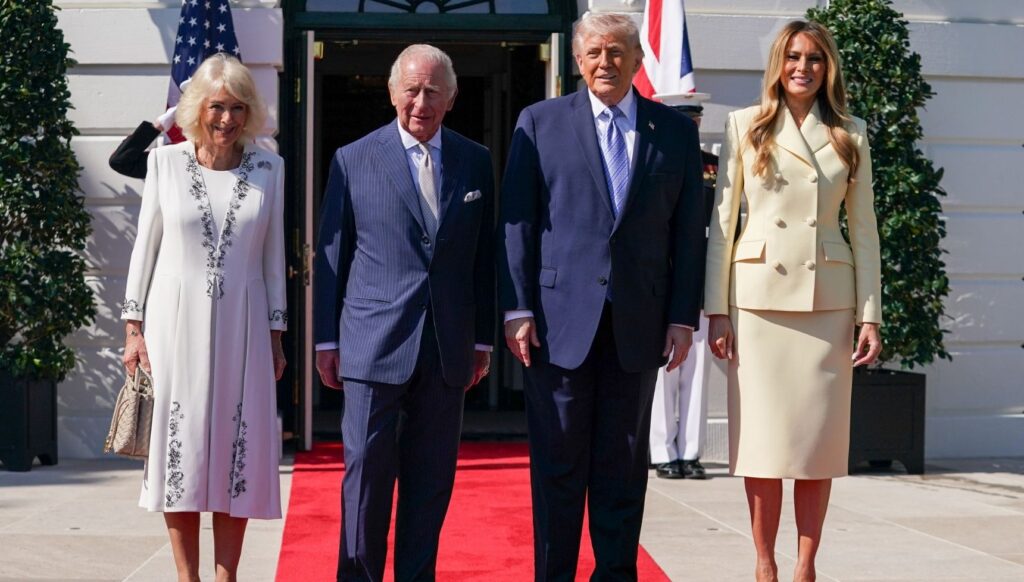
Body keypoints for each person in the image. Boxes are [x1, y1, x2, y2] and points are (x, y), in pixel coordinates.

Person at [498, 14, 706, 580]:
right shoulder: (539, 124)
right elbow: (518, 223)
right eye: (593, 52)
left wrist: (682, 318)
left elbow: (689, 235)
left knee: (622, 470)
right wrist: (517, 308)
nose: (605, 63)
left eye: (617, 52)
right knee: (558, 469)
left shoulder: (676, 133)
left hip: (639, 327)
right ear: (577, 60)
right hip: (557, 326)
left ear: (638, 60)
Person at [704, 20, 883, 582]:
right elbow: (721, 227)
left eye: (814, 59)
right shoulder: (744, 126)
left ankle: (806, 567)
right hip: (757, 305)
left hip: (827, 303)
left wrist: (870, 314)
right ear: (778, 65)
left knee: (816, 446)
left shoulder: (851, 134)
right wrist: (717, 309)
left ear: (828, 68)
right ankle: (764, 564)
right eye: (793, 58)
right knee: (761, 446)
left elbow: (866, 231)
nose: (803, 68)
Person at [312, 44, 494, 582]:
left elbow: (485, 256)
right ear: (392, 92)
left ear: (453, 97)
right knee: (366, 479)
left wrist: (481, 338)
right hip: (372, 346)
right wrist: (326, 340)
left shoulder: (475, 159)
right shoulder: (352, 158)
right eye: (411, 90)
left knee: (431, 481)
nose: (421, 101)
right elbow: (330, 257)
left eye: (433, 91)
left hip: (447, 348)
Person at [121, 53, 287, 582]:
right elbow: (144, 250)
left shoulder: (270, 168)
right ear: (198, 107)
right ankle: (187, 578)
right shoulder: (163, 164)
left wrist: (277, 334)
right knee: (182, 455)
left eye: (239, 107)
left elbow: (273, 256)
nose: (227, 119)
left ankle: (227, 577)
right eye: (218, 106)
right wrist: (133, 330)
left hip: (245, 327)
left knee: (236, 455)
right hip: (173, 328)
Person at [648, 92, 718, 480]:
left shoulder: (713, 166)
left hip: (702, 281)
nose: (690, 129)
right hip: (663, 282)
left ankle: (690, 451)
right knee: (664, 372)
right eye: (683, 121)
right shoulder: (655, 159)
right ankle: (662, 450)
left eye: (695, 122)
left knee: (698, 369)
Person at [108, 105, 178, 179]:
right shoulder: (175, 157)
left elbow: (119, 163)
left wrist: (160, 124)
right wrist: (161, 124)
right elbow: (120, 162)